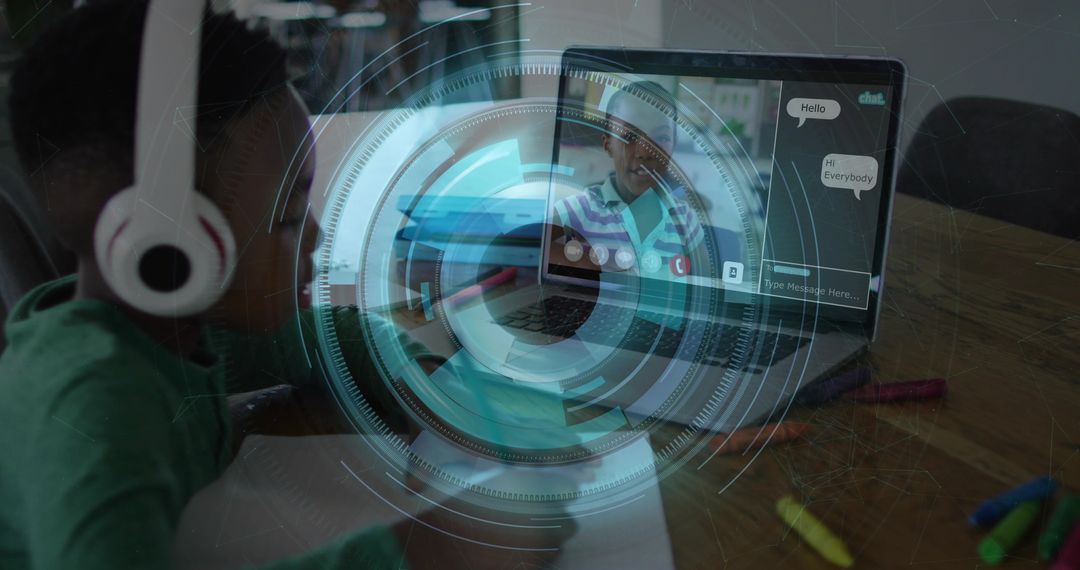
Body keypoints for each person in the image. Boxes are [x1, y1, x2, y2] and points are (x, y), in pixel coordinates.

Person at [0, 2, 572, 568]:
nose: (318, 236)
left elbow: (320, 336)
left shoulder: (168, 333)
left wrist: (418, 382)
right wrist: (422, 550)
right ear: (178, 243)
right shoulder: (91, 399)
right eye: (291, 216)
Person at [551, 80, 706, 279]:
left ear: (673, 146)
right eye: (629, 137)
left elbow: (703, 296)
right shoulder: (570, 215)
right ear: (608, 144)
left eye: (661, 138)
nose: (644, 152)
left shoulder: (686, 222)